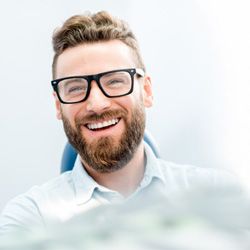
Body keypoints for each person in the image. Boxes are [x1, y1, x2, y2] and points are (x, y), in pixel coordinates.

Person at [0, 11, 237, 234]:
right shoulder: (31, 218)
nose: (96, 103)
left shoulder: (217, 197)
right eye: (75, 88)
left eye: (114, 81)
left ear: (146, 90)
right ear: (58, 105)